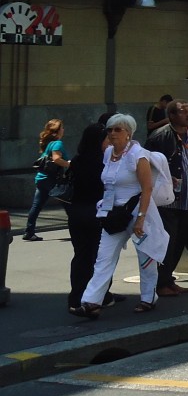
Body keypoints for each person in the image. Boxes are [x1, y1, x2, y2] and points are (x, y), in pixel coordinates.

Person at [75, 114, 168, 317]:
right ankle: (91, 302)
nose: (112, 133)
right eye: (109, 130)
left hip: (137, 212)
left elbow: (147, 189)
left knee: (146, 257)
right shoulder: (108, 153)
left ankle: (148, 297)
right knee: (103, 257)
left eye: (118, 129)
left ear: (128, 133)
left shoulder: (138, 155)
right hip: (113, 214)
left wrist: (141, 218)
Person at [144, 99, 188, 296]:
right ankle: (160, 284)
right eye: (184, 112)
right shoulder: (160, 137)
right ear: (172, 116)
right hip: (167, 201)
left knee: (179, 242)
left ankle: (168, 279)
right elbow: (147, 167)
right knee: (166, 243)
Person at [66, 121, 122, 311]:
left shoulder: (77, 160)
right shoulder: (103, 163)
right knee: (100, 258)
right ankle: (100, 296)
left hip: (76, 212)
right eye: (107, 138)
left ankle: (76, 297)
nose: (110, 141)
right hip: (97, 213)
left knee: (81, 256)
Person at [25, 118, 70, 241]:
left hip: (41, 178)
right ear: (57, 131)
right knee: (68, 202)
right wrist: (69, 164)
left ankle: (29, 232)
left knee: (36, 205)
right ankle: (76, 229)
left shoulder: (48, 144)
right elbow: (56, 159)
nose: (63, 130)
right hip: (51, 180)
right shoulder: (57, 143)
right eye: (62, 128)